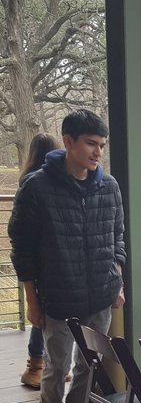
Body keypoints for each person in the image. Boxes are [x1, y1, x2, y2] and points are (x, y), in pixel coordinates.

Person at [8, 109, 125, 403]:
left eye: (102, 145)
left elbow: (117, 237)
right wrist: (32, 300)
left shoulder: (109, 186)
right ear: (69, 142)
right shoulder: (37, 187)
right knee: (57, 369)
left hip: (100, 298)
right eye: (91, 144)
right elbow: (23, 250)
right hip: (57, 297)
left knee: (90, 366)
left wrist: (116, 278)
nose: (98, 152)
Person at [16, 132, 58, 389]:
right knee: (43, 316)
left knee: (41, 314)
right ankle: (37, 364)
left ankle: (38, 364)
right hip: (45, 262)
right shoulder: (41, 184)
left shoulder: (25, 180)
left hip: (36, 262)